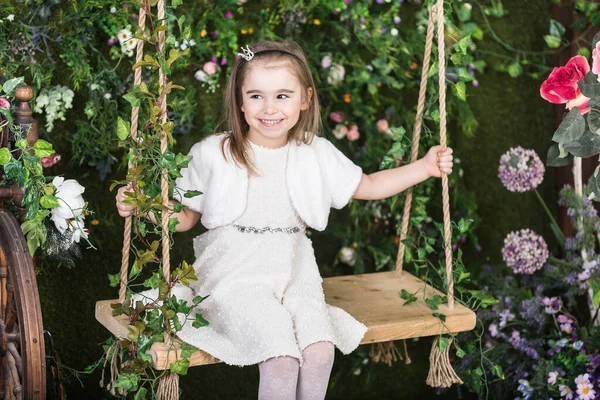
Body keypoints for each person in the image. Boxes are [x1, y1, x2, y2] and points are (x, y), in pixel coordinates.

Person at [116, 40, 453, 400]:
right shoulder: (214, 153)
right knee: (281, 358)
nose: (269, 108)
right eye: (256, 95)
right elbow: (183, 218)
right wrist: (145, 206)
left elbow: (368, 185)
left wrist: (424, 167)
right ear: (240, 101)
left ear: (305, 98)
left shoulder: (314, 152)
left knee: (320, 351)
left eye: (282, 95)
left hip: (295, 272)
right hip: (234, 275)